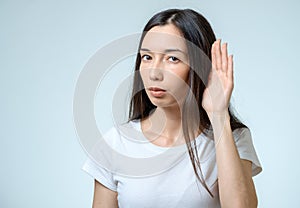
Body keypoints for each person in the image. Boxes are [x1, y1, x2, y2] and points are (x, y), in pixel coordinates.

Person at [82, 8, 262, 208]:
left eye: (172, 58)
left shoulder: (233, 138)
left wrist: (218, 116)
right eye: (147, 57)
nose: (154, 74)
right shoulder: (116, 143)